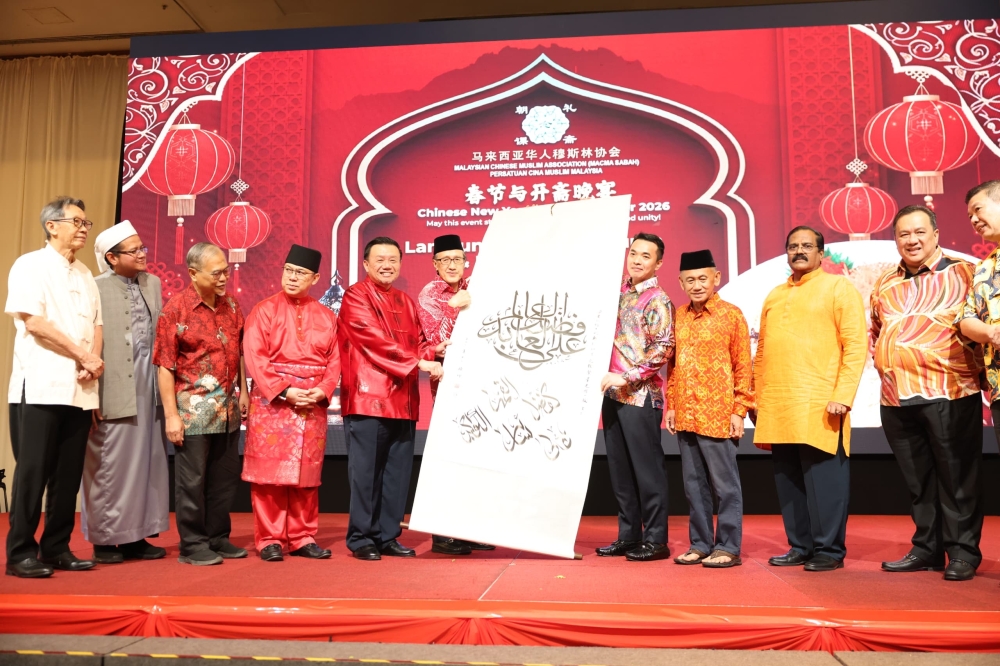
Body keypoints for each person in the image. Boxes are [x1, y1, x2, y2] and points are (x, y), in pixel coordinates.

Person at [872, 204, 984, 582]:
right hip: (896, 396)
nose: (912, 240)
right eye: (904, 234)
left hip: (950, 390)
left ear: (936, 234)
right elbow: (875, 330)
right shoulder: (885, 281)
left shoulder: (965, 271)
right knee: (918, 480)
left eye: (920, 232)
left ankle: (963, 552)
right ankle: (927, 549)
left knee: (957, 478)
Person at [752, 226, 867, 572]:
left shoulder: (838, 287)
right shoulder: (773, 295)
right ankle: (800, 546)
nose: (799, 251)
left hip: (821, 403)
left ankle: (829, 551)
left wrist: (842, 396)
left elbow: (856, 346)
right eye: (793, 246)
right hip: (778, 403)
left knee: (825, 482)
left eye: (807, 246)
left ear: (821, 253)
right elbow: (762, 352)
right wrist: (757, 398)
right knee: (789, 482)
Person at [5, 196, 103, 578]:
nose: (83, 228)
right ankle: (20, 553)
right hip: (41, 384)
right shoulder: (29, 265)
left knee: (68, 473)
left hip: (80, 388)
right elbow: (35, 323)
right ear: (52, 225)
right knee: (33, 470)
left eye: (86, 222)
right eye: (76, 221)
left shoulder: (84, 273)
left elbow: (96, 325)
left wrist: (93, 361)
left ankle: (57, 547)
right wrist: (84, 355)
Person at [338, 236, 443, 561]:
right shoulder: (356, 296)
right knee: (366, 473)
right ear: (366, 264)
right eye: (380, 259)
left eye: (393, 259)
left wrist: (433, 350)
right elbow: (374, 341)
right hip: (369, 399)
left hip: (404, 401)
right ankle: (361, 538)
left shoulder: (406, 301)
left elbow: (419, 342)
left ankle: (387, 535)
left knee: (397, 475)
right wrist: (418, 362)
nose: (387, 265)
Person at [242, 244, 341, 562]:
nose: (293, 277)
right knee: (270, 477)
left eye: (300, 273)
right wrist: (284, 391)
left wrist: (323, 390)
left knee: (305, 477)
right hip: (274, 405)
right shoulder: (264, 310)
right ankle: (269, 538)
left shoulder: (327, 316)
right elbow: (255, 357)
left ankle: (302, 536)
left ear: (315, 277)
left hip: (311, 404)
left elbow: (335, 361)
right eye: (288, 270)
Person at [153, 242, 249, 566]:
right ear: (193, 274)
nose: (224, 277)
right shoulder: (175, 310)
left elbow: (240, 350)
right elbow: (164, 366)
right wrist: (171, 416)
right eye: (216, 273)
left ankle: (218, 537)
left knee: (223, 479)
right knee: (191, 481)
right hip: (192, 411)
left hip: (228, 410)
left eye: (226, 270)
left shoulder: (232, 305)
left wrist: (245, 391)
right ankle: (193, 544)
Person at [81, 221, 169, 564]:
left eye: (142, 247)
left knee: (146, 463)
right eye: (134, 251)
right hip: (111, 388)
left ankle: (136, 536)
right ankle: (105, 540)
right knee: (108, 464)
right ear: (111, 258)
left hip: (148, 388)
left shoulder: (153, 283)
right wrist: (90, 395)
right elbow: (87, 343)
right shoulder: (95, 287)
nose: (142, 254)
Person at [665, 249, 753, 569]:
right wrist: (672, 405)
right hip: (686, 414)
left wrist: (738, 410)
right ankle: (700, 544)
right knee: (694, 486)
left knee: (725, 486)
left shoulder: (732, 315)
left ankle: (728, 546)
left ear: (716, 278)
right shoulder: (679, 315)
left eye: (703, 278)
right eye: (690, 280)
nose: (697, 285)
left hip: (718, 414)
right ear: (681, 282)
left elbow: (744, 366)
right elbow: (673, 367)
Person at [597, 232, 674, 562]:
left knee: (647, 472)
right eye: (634, 254)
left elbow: (664, 348)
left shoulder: (657, 299)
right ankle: (628, 536)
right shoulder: (618, 296)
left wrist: (627, 376)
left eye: (647, 255)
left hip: (641, 396)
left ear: (658, 263)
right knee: (621, 472)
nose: (638, 260)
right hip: (613, 395)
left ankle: (656, 539)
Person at [415, 233, 494, 557]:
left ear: (466, 261)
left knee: (476, 458)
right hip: (450, 387)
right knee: (449, 457)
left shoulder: (480, 285)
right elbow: (439, 341)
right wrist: (454, 307)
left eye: (456, 259)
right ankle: (443, 534)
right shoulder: (430, 295)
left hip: (483, 385)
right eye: (444, 260)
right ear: (434, 264)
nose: (451, 265)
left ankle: (469, 530)